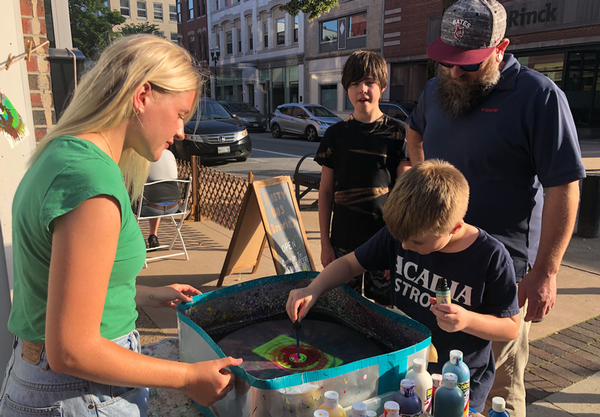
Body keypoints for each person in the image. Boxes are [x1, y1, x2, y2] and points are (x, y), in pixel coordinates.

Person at [0, 35, 242, 417]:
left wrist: (146, 292)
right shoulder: (91, 182)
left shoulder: (64, 152)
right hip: (80, 394)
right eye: (180, 113)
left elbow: (66, 289)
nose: (182, 131)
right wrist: (188, 376)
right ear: (143, 94)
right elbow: (72, 350)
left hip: (44, 381)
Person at [406, 0, 586, 414]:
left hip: (503, 271)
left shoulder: (538, 97)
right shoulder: (436, 90)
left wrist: (546, 273)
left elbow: (565, 188)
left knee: (498, 386)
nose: (454, 72)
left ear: (501, 48)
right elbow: (414, 137)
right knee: (437, 376)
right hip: (440, 263)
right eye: (447, 61)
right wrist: (423, 196)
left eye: (467, 64)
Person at [287, 159, 520, 413]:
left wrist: (466, 320)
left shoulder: (491, 257)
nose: (406, 247)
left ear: (454, 227)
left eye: (417, 243)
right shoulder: (401, 233)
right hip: (404, 369)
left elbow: (510, 328)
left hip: (457, 383)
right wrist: (314, 287)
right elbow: (349, 265)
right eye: (401, 239)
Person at [315, 50, 411, 306]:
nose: (362, 90)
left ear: (382, 87)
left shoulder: (399, 133)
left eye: (369, 82)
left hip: (385, 239)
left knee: (386, 312)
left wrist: (400, 247)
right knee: (346, 310)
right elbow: (325, 192)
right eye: (355, 83)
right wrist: (325, 243)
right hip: (344, 241)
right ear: (346, 88)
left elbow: (405, 195)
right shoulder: (335, 135)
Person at [141, 148, 181, 249]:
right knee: (158, 198)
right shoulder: (169, 154)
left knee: (126, 202)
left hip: (152, 207)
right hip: (174, 206)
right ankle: (153, 235)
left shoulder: (144, 155)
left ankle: (134, 240)